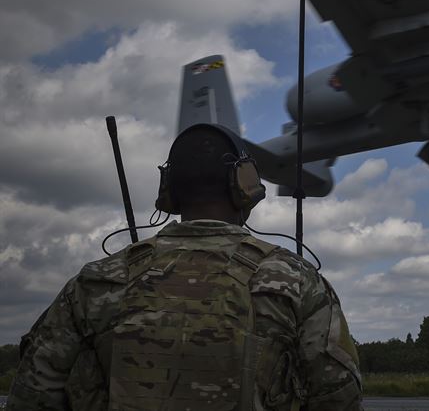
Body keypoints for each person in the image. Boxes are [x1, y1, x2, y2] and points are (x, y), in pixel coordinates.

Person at [7, 123, 362, 410]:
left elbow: (32, 394)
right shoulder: (296, 282)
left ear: (168, 190)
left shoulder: (95, 284)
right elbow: (340, 397)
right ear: (246, 187)